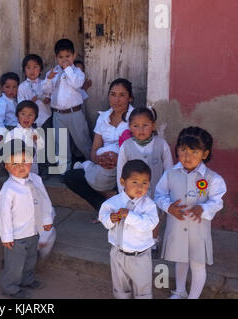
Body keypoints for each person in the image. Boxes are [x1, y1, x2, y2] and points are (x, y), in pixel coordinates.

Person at [155, 127, 226, 299]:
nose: (188, 156)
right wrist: (168, 206)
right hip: (177, 227)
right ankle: (179, 291)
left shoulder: (213, 179)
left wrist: (203, 208)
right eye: (183, 150)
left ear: (205, 153)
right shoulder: (170, 174)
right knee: (180, 260)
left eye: (194, 151)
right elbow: (159, 194)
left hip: (198, 231)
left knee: (197, 264)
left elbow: (217, 201)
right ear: (177, 149)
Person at [63, 78, 134, 222]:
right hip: (103, 168)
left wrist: (118, 160)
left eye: (122, 95)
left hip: (125, 169)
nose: (116, 99)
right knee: (69, 177)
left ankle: (114, 201)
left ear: (130, 97)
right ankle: (104, 205)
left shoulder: (136, 118)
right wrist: (100, 160)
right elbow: (94, 150)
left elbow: (139, 150)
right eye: (113, 94)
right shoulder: (103, 118)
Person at [0, 139, 54, 299]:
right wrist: (6, 236)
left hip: (33, 230)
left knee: (31, 259)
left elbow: (44, 200)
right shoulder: (8, 190)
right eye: (14, 164)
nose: (21, 167)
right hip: (16, 236)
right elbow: (4, 215)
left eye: (24, 161)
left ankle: (27, 279)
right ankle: (10, 287)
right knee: (15, 264)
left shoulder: (36, 180)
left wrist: (47, 219)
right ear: (7, 167)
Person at [116, 107, 173, 254]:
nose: (141, 130)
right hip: (132, 192)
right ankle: (136, 242)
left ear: (153, 125)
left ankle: (153, 242)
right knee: (134, 216)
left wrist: (168, 191)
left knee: (154, 217)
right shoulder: (126, 146)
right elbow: (120, 171)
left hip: (156, 191)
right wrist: (122, 192)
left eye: (145, 125)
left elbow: (169, 170)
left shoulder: (161, 144)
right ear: (129, 128)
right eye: (136, 126)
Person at [99, 160, 159, 299]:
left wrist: (129, 215)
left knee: (142, 287)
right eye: (135, 182)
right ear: (122, 181)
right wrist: (110, 219)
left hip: (140, 256)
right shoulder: (113, 202)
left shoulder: (149, 205)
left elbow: (149, 224)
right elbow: (103, 217)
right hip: (117, 253)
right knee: (120, 286)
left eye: (145, 182)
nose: (140, 187)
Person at [42, 38, 92, 174]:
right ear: (56, 57)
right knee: (61, 145)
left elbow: (77, 84)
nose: (64, 60)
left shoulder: (77, 72)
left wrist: (68, 69)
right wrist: (48, 79)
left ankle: (94, 168)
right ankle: (64, 172)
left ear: (74, 56)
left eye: (68, 56)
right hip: (58, 114)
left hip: (75, 114)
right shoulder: (52, 73)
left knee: (83, 142)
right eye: (61, 57)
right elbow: (46, 91)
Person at [4, 100, 44, 175]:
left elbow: (41, 149)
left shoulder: (36, 133)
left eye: (30, 115)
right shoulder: (11, 134)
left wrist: (37, 141)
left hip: (33, 171)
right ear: (17, 115)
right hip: (17, 172)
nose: (26, 118)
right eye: (23, 114)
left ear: (35, 118)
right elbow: (7, 156)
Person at [18, 54, 52, 128]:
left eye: (35, 67)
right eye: (28, 68)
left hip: (46, 118)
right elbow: (20, 105)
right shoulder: (22, 87)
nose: (32, 70)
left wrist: (48, 100)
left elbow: (50, 97)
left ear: (40, 70)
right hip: (30, 121)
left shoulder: (45, 83)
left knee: (48, 138)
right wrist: (30, 103)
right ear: (24, 70)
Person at [0, 72, 20, 141]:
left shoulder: (15, 100)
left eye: (14, 87)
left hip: (17, 127)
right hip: (8, 128)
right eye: (7, 87)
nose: (11, 90)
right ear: (2, 88)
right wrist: (1, 133)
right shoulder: (2, 102)